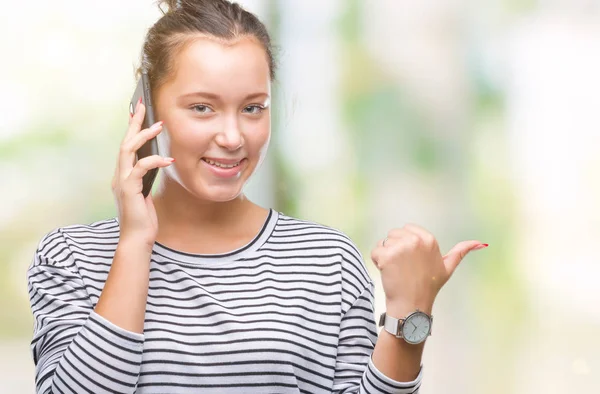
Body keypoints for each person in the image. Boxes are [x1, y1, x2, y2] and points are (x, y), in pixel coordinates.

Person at [26, 0, 488, 393]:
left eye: (252, 108)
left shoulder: (326, 260)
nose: (232, 136)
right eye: (202, 108)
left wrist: (411, 317)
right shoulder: (72, 258)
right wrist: (133, 245)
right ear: (143, 107)